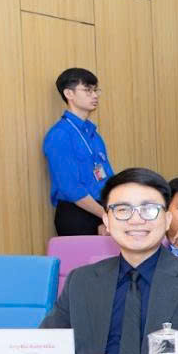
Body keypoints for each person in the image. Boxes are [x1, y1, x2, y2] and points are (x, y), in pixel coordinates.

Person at [41, 168, 178, 354]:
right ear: (107, 221)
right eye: (123, 210)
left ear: (167, 219)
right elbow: (45, 352)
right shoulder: (80, 281)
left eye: (148, 210)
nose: (136, 220)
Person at [44, 68, 114, 235]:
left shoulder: (93, 134)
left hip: (101, 210)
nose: (95, 95)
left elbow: (107, 177)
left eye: (96, 90)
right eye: (88, 90)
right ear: (69, 93)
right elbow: (71, 189)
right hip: (77, 214)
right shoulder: (60, 135)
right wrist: (106, 216)